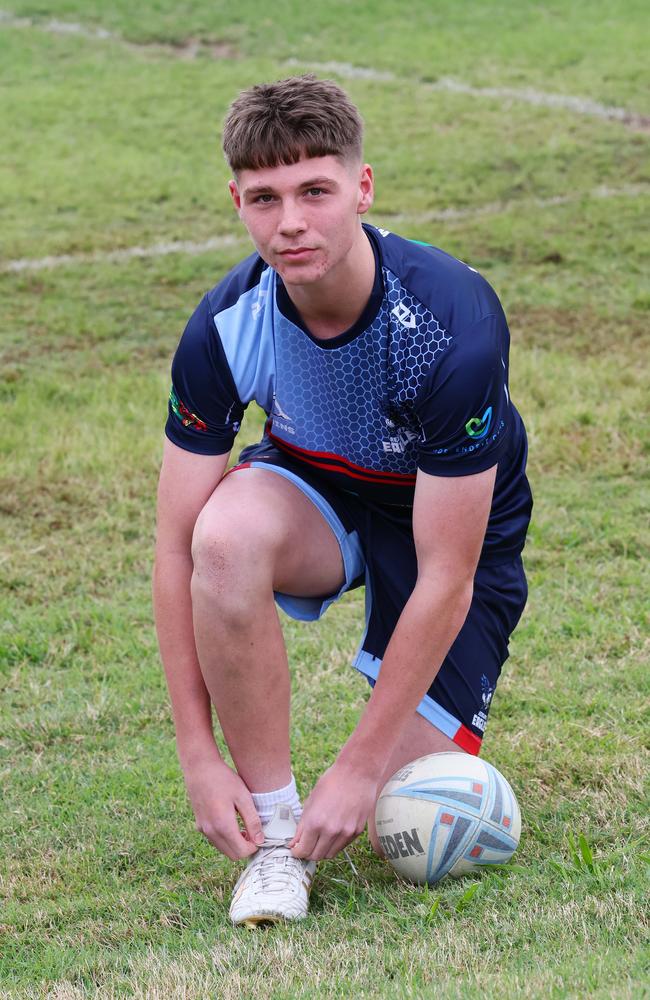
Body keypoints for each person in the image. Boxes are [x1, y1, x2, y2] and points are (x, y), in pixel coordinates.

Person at [153, 74, 532, 928]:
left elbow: (448, 575)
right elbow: (176, 548)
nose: (290, 222)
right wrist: (196, 754)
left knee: (404, 807)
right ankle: (277, 841)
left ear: (361, 187)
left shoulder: (452, 322)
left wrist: (359, 768)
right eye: (265, 198)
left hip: (445, 524)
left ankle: (376, 768)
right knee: (222, 537)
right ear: (238, 202)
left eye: (315, 191)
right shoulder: (226, 325)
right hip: (317, 490)